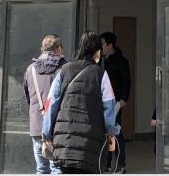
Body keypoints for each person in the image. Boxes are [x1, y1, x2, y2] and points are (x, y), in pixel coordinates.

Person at [43, 31, 121, 174]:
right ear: (97, 52)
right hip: (91, 146)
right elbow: (109, 109)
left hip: (64, 146)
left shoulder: (64, 71)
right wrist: (111, 133)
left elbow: (51, 105)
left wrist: (47, 134)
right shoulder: (101, 74)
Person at [24, 34, 66, 175]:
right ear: (58, 49)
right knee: (57, 169)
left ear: (42, 49)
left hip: (37, 128)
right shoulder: (65, 69)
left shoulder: (30, 69)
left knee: (41, 170)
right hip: (58, 128)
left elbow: (29, 98)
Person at [100, 32, 131, 174]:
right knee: (103, 133)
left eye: (103, 44)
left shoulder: (121, 61)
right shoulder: (100, 60)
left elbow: (126, 81)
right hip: (101, 101)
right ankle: (106, 164)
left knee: (115, 132)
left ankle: (120, 165)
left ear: (110, 45)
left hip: (115, 103)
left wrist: (124, 99)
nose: (100, 47)